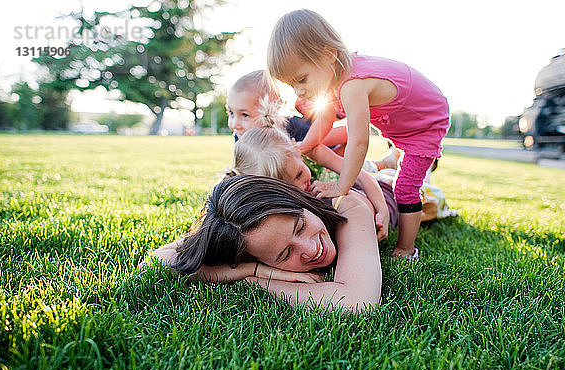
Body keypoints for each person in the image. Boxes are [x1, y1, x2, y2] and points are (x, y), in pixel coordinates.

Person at [267, 9, 450, 260]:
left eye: (302, 79)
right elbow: (325, 119)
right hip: (402, 122)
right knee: (399, 173)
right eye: (292, 85)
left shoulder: (353, 84)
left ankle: (406, 250)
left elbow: (359, 140)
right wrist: (305, 145)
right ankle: (391, 160)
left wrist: (341, 186)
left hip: (424, 124)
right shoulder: (333, 80)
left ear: (328, 54)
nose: (299, 92)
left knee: (405, 186)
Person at [147, 175, 382, 313]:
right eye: (285, 254)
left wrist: (256, 282)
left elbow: (357, 302)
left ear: (296, 199)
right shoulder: (241, 232)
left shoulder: (347, 204)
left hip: (388, 187)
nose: (311, 250)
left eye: (300, 226)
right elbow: (155, 263)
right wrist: (253, 272)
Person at [231, 125, 399, 233]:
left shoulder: (312, 151)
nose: (300, 186)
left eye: (298, 174)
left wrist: (382, 210)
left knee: (395, 186)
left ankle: (392, 161)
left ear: (296, 148)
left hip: (373, 189)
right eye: (288, 188)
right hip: (350, 192)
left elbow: (362, 176)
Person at [226, 70, 347, 149]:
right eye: (231, 113)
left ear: (271, 111)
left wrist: (304, 145)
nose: (234, 124)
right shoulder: (242, 137)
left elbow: (346, 134)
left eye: (245, 115)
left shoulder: (292, 128)